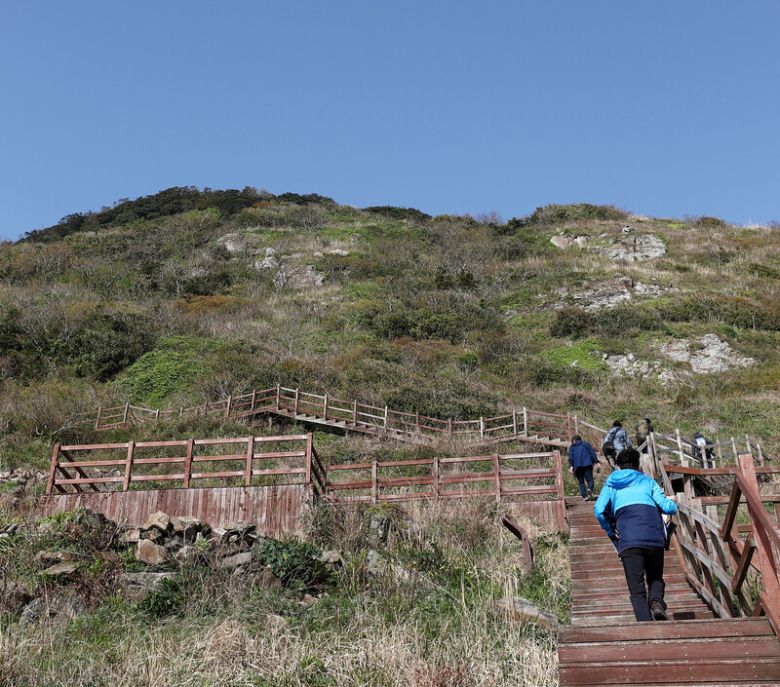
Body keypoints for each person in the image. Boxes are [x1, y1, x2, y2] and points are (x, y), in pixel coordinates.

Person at [593, 448, 678, 622]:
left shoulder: (611, 484)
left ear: (618, 466)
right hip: (654, 537)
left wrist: (611, 530)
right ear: (638, 465)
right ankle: (656, 602)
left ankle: (645, 627)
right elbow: (668, 508)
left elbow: (599, 510)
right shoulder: (648, 481)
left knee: (637, 590)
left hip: (628, 540)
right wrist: (674, 503)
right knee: (655, 577)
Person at [568, 434, 601, 500]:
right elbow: (592, 453)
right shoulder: (586, 444)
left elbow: (571, 457)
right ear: (580, 439)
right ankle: (589, 488)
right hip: (587, 464)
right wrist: (596, 461)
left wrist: (571, 466)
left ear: (574, 440)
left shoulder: (572, 447)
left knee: (581, 482)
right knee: (590, 479)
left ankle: (585, 496)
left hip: (577, 466)